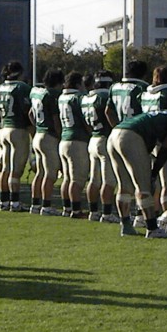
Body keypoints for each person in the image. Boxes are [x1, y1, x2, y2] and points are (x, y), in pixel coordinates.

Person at [107, 110, 167, 238]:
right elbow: (166, 148)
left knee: (125, 186)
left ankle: (126, 226)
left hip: (114, 134)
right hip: (130, 136)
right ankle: (152, 228)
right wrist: (154, 173)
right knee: (143, 187)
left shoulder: (166, 116)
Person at [105, 60, 149, 227]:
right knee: (143, 182)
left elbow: (108, 111)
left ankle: (125, 223)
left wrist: (117, 127)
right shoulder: (142, 88)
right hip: (136, 137)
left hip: (116, 136)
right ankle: (141, 217)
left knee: (123, 184)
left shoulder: (114, 87)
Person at [141, 66, 167, 215]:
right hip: (165, 142)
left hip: (149, 142)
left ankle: (149, 215)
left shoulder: (145, 94)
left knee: (155, 184)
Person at [0, 61, 32, 212]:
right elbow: (27, 112)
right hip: (17, 129)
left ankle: (3, 200)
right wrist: (33, 133)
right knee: (15, 169)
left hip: (2, 130)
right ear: (19, 73)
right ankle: (14, 202)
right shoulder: (22, 88)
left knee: (4, 169)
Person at [81, 70, 119, 223]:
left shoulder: (86, 98)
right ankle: (107, 214)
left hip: (93, 138)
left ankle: (93, 212)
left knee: (94, 180)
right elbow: (109, 113)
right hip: (105, 139)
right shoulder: (105, 97)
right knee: (108, 181)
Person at [29, 69, 63, 216]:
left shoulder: (37, 93)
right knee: (50, 174)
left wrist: (38, 126)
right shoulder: (52, 94)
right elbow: (56, 120)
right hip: (49, 136)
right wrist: (60, 136)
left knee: (40, 173)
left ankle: (35, 204)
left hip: (39, 134)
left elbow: (30, 114)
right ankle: (46, 206)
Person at [58, 72, 91, 218]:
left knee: (67, 178)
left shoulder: (62, 97)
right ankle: (76, 210)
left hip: (64, 140)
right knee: (77, 179)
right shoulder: (78, 98)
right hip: (77, 140)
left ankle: (67, 208)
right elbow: (85, 120)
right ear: (78, 84)